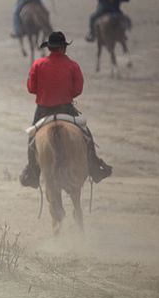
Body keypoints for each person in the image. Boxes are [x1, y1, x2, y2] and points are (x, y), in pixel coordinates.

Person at [19, 31, 112, 188]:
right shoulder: (73, 65)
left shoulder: (38, 64)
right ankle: (95, 168)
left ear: (49, 48)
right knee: (87, 135)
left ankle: (32, 174)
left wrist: (45, 91)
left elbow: (31, 88)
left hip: (43, 111)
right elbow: (78, 90)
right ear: (64, 48)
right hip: (66, 109)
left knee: (32, 140)